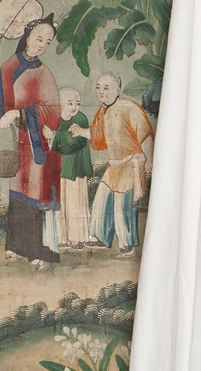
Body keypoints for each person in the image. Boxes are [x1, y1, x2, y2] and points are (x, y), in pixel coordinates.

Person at [0, 16, 62, 268]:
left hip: (36, 142)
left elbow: (53, 111)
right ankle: (14, 245)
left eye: (47, 42)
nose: (41, 45)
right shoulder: (12, 64)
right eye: (39, 38)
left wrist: (18, 113)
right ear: (28, 37)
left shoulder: (44, 73)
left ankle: (34, 251)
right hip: (16, 140)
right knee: (17, 193)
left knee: (33, 193)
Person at [88, 72, 154, 255]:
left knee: (121, 205)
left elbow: (146, 135)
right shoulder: (102, 111)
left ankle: (126, 244)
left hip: (131, 164)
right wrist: (80, 132)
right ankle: (101, 237)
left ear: (117, 90)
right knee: (101, 200)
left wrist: (149, 163)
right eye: (98, 87)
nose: (101, 92)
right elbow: (97, 138)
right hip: (114, 166)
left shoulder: (129, 107)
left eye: (106, 88)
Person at [52, 87, 93, 250]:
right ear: (60, 103)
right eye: (69, 103)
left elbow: (74, 143)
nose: (74, 107)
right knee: (59, 203)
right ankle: (61, 238)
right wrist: (60, 136)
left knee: (75, 203)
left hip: (76, 168)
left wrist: (56, 136)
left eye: (77, 103)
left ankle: (77, 238)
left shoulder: (80, 118)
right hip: (58, 168)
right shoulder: (55, 119)